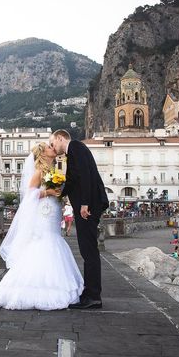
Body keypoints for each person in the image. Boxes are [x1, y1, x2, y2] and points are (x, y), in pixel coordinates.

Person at [0, 142, 84, 310]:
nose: (52, 148)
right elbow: (29, 194)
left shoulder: (53, 171)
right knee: (45, 242)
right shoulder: (39, 172)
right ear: (43, 153)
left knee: (53, 239)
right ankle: (37, 287)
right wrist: (48, 192)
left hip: (53, 209)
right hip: (44, 212)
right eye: (49, 147)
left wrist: (58, 196)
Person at [50, 129, 108, 309]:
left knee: (89, 250)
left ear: (61, 138)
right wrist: (57, 193)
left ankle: (93, 296)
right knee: (87, 249)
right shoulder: (73, 151)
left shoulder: (75, 146)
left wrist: (84, 203)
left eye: (53, 143)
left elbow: (85, 175)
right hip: (88, 205)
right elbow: (73, 179)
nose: (53, 147)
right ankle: (90, 293)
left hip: (88, 207)